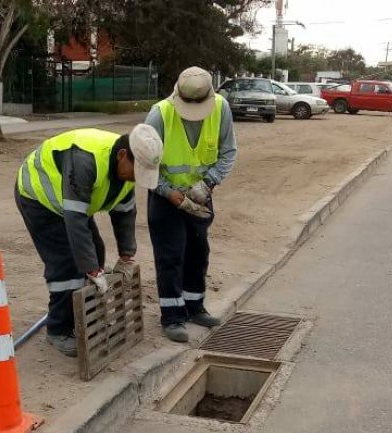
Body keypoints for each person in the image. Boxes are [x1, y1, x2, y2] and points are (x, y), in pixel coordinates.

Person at [15, 124, 163, 357]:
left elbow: (125, 213)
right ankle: (58, 329)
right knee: (68, 265)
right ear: (123, 156)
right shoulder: (86, 159)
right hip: (39, 197)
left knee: (96, 251)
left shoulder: (126, 173)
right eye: (137, 171)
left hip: (69, 206)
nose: (137, 179)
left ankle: (80, 318)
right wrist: (91, 270)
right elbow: (75, 220)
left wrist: (127, 254)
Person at [143, 66, 237, 343]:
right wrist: (168, 192)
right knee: (170, 255)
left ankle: (195, 306)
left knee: (198, 251)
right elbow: (145, 165)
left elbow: (228, 151)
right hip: (165, 196)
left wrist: (207, 184)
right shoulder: (159, 114)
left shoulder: (221, 109)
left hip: (199, 195)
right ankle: (172, 316)